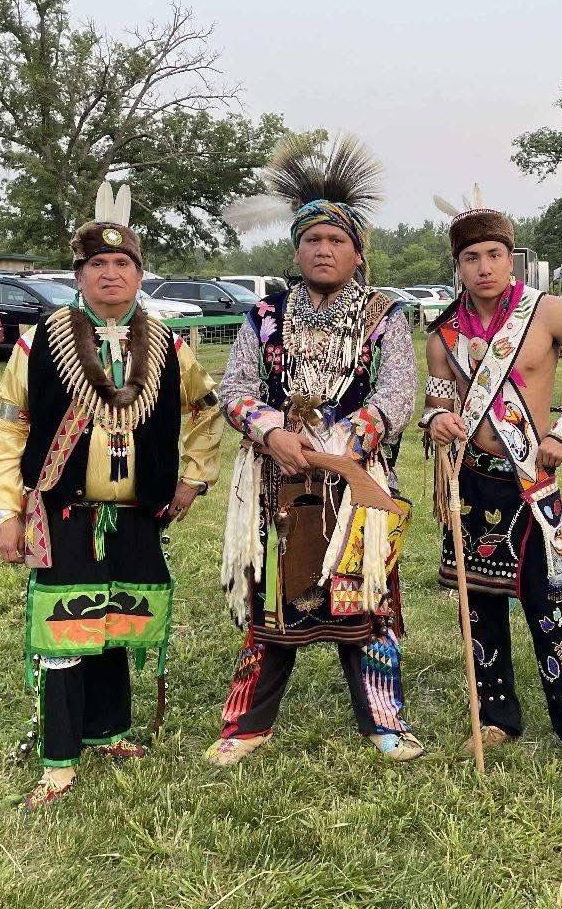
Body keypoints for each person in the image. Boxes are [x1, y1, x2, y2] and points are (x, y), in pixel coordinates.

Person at [0, 183, 224, 809]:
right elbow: (10, 427)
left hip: (137, 512)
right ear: (79, 273)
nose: (111, 273)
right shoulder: (41, 342)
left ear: (140, 273)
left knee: (118, 620)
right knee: (65, 629)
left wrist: (193, 478)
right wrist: (6, 511)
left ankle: (110, 730)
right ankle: (59, 759)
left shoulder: (169, 345)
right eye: (98, 264)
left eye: (124, 264)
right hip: (64, 510)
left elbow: (204, 411)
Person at [205, 134, 423, 766]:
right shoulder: (265, 316)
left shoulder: (386, 314)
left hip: (357, 481)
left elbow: (397, 393)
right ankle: (247, 723)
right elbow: (238, 386)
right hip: (279, 482)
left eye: (336, 240)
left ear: (358, 252)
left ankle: (383, 720)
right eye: (311, 240)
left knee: (368, 600)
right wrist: (272, 430)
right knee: (273, 598)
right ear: (296, 249)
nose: (323, 250)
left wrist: (339, 443)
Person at [422, 202, 562, 773]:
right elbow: (439, 401)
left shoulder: (551, 314)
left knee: (549, 606)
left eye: (493, 255)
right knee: (480, 607)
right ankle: (496, 717)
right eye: (470, 258)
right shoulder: (445, 335)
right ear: (457, 266)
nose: (483, 267)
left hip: (531, 480)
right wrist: (438, 419)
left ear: (512, 258)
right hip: (471, 483)